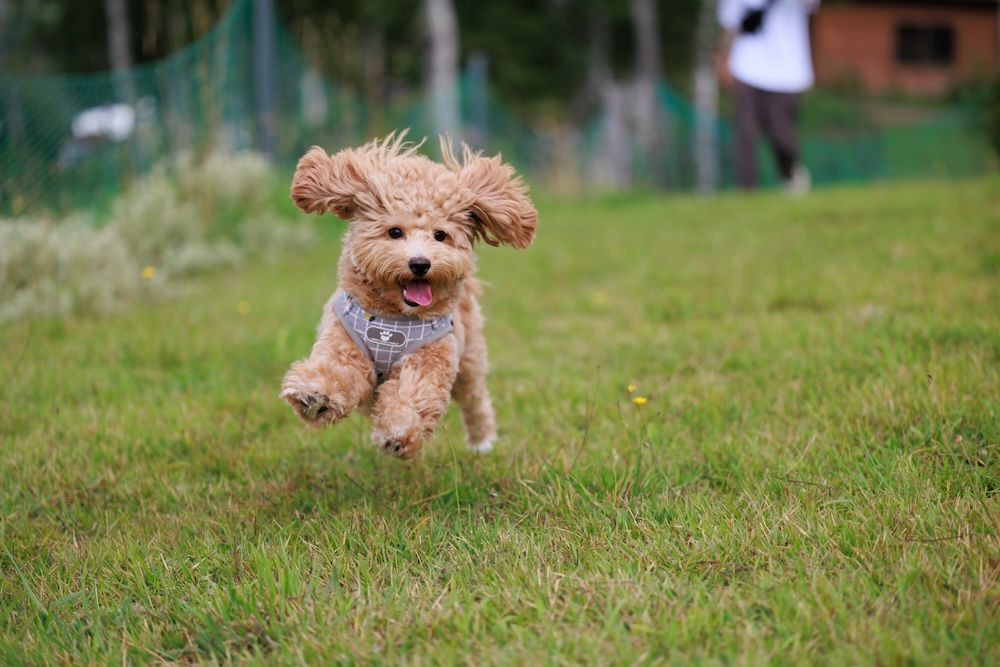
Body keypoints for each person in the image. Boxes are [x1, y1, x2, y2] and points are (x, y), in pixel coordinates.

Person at [717, 0, 820, 194]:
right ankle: (746, 194)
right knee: (745, 134)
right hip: (745, 67)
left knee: (781, 136)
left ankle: (790, 175)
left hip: (788, 73)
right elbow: (730, 24)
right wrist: (724, 58)